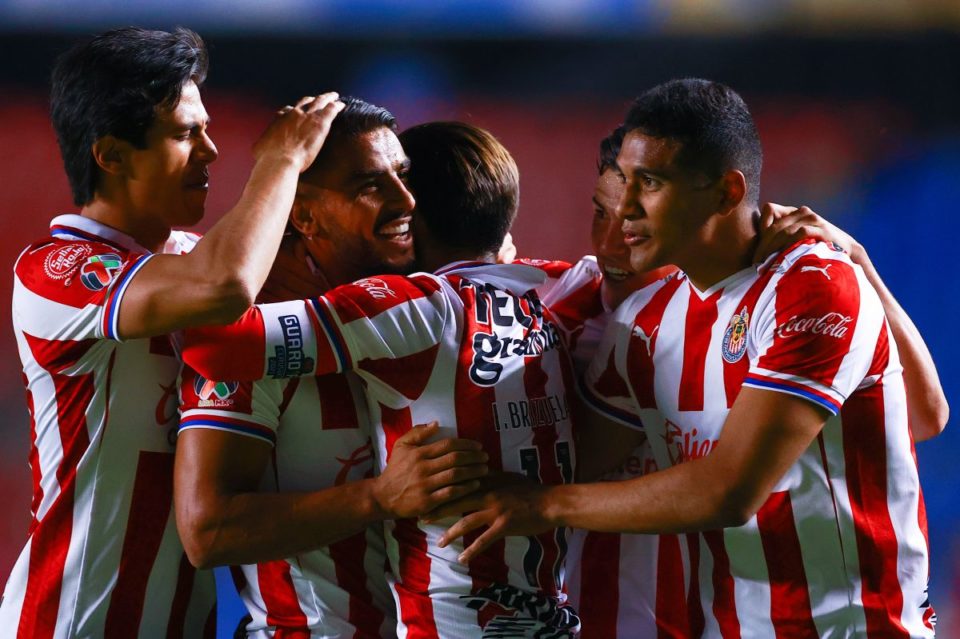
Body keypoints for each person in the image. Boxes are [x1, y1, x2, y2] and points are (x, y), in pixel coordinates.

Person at [435, 79, 945, 636]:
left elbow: (729, 492)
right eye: (622, 185)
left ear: (728, 192)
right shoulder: (644, 322)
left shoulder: (812, 286)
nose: (626, 210)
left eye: (649, 184)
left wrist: (544, 506)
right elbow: (573, 460)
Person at [2, 26, 341, 637]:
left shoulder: (191, 257)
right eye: (186, 134)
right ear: (111, 155)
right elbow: (225, 286)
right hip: (74, 621)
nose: (211, 151)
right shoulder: (57, 269)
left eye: (206, 129)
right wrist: (282, 158)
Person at [181, 122, 581, 638]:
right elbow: (208, 533)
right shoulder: (263, 332)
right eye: (372, 185)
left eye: (406, 176)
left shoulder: (430, 312)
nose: (405, 200)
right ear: (303, 213)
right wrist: (377, 497)